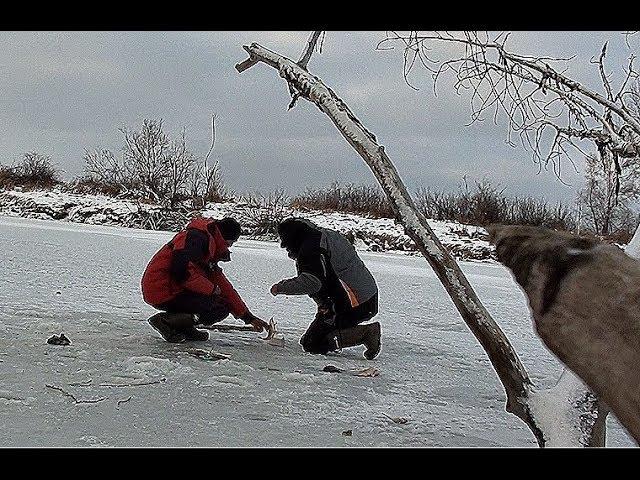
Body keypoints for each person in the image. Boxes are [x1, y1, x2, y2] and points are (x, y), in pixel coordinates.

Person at [141, 216, 269, 342]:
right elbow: (181, 272)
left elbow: (225, 289)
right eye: (230, 243)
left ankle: (183, 327)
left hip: (169, 289)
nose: (229, 248)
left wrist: (248, 317)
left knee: (222, 303)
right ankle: (166, 321)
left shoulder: (208, 248)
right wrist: (212, 289)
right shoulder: (195, 239)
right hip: (161, 289)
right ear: (225, 239)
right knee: (216, 305)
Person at [270, 218, 381, 359]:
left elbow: (312, 282)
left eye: (287, 245)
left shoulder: (311, 248)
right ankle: (340, 332)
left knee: (313, 343)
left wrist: (280, 288)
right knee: (308, 339)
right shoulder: (324, 236)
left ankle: (366, 333)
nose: (287, 249)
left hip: (354, 302)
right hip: (366, 296)